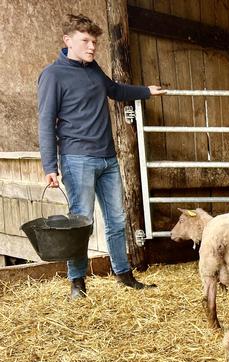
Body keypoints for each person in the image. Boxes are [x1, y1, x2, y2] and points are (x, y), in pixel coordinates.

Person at [38, 13, 166, 300]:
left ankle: (124, 275)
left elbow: (116, 90)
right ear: (67, 41)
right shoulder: (53, 75)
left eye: (94, 41)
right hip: (76, 160)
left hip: (108, 158)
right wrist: (50, 165)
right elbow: (45, 122)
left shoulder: (94, 70)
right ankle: (77, 283)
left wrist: (146, 91)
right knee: (81, 223)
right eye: (86, 41)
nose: (92, 46)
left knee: (118, 220)